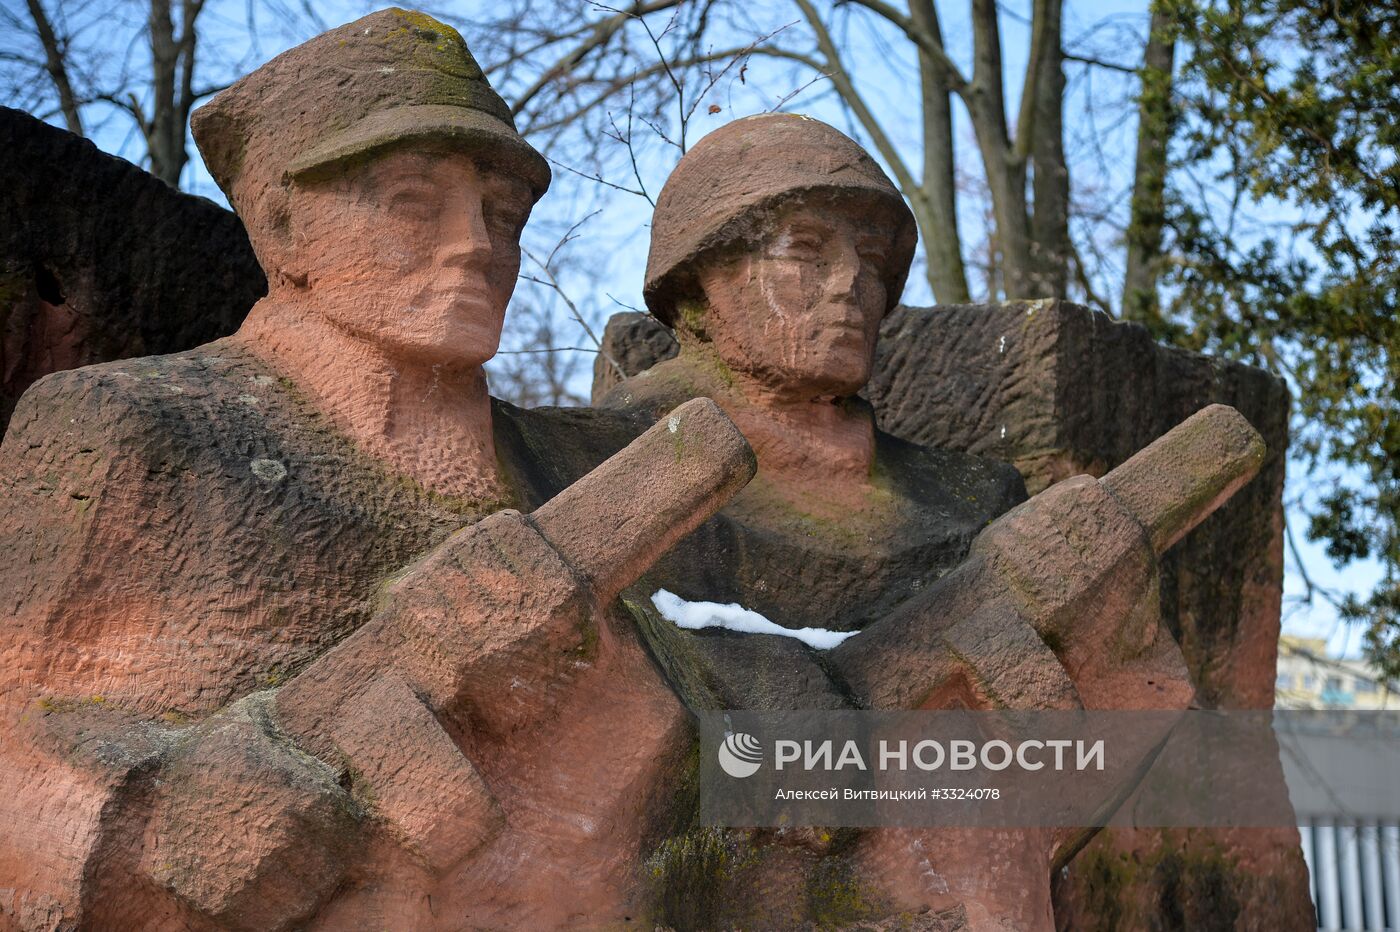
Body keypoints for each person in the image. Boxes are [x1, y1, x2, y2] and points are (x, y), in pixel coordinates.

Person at [0, 10, 745, 927]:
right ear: (282, 227)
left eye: (503, 215)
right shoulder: (130, 428)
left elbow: (732, 756)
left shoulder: (579, 474)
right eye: (412, 203)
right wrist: (150, 817)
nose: (480, 242)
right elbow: (17, 746)